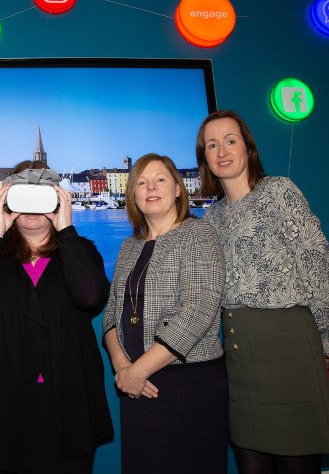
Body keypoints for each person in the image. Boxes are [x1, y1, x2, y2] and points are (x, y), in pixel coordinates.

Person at [196, 110, 329, 473]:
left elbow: (317, 264)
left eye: (230, 140)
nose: (222, 150)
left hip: (288, 348)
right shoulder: (211, 218)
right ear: (204, 158)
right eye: (212, 144)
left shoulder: (279, 191)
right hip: (239, 356)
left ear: (247, 147)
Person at [0, 161, 113, 474]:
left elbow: (90, 297)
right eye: (22, 194)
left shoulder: (80, 251)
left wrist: (66, 231)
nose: (31, 206)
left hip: (65, 399)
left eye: (41, 194)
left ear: (57, 198)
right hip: (2, 400)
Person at [103, 153, 228, 474]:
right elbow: (112, 314)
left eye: (160, 179)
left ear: (177, 189)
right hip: (136, 388)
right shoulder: (129, 247)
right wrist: (123, 368)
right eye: (141, 183)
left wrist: (138, 370)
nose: (150, 187)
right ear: (133, 195)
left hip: (188, 385)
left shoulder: (199, 235)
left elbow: (198, 311)